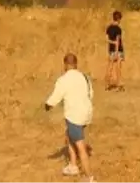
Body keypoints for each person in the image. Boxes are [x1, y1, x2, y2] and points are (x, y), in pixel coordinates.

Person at [44, 53, 96, 183]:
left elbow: (56, 96)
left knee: (80, 146)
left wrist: (48, 105)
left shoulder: (64, 79)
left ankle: (89, 178)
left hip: (74, 115)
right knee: (69, 135)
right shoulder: (85, 77)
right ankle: (73, 166)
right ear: (76, 64)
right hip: (87, 113)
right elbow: (91, 93)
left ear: (65, 65)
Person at [105, 11, 124, 91]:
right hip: (118, 50)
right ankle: (119, 84)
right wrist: (116, 52)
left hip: (110, 50)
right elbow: (118, 41)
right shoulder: (118, 29)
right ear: (119, 19)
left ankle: (107, 84)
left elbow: (106, 39)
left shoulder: (108, 28)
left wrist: (112, 42)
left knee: (110, 67)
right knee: (118, 68)